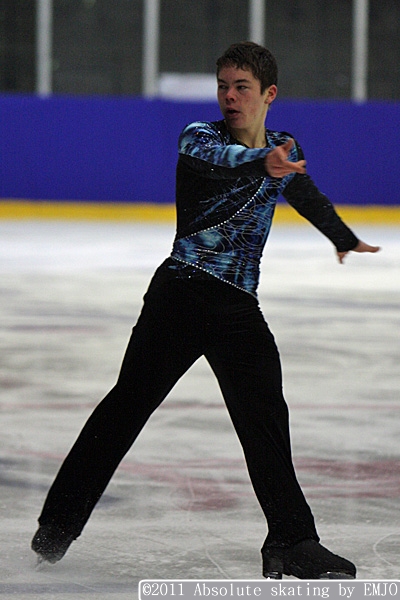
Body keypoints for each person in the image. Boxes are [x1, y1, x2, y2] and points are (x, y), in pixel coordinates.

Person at [31, 42, 380, 579]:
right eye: (223, 86)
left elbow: (302, 190)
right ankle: (57, 526)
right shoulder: (200, 139)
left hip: (237, 307)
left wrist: (341, 236)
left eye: (241, 87)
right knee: (126, 409)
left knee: (265, 417)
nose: (229, 97)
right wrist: (262, 162)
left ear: (269, 94)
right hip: (180, 297)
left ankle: (292, 540)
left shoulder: (284, 146)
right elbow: (225, 163)